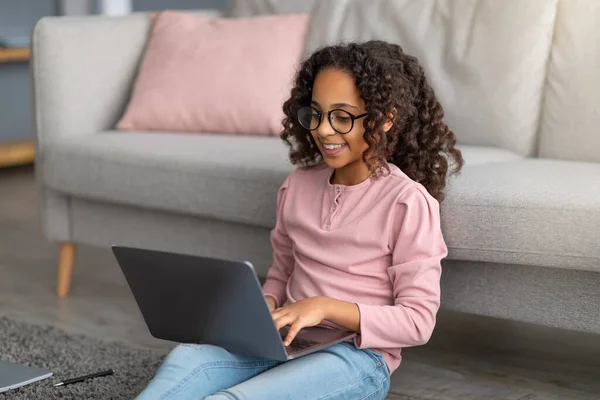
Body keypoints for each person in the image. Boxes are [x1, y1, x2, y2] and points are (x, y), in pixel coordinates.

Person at [137, 40, 464, 400]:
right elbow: (281, 273)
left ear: (385, 118)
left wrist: (323, 307)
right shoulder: (297, 186)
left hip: (354, 358)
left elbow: (417, 322)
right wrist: (267, 305)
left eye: (342, 116)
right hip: (282, 344)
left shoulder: (407, 202)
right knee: (187, 360)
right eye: (317, 114)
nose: (324, 130)